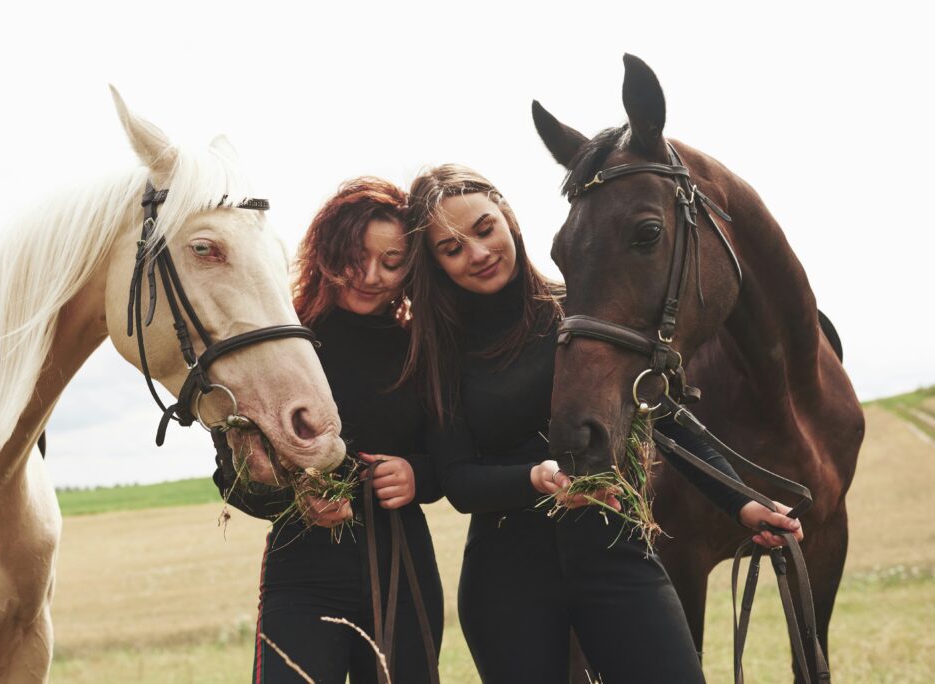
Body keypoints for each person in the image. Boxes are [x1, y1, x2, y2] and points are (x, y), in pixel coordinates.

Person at [401, 164, 803, 683]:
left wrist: (742, 500)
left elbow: (662, 416)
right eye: (452, 249)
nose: (478, 253)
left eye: (484, 229)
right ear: (435, 264)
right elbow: (459, 480)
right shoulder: (440, 353)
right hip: (507, 583)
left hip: (617, 553)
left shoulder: (581, 311)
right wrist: (536, 479)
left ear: (508, 218)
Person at [213, 177, 443, 684]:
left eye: (392, 262)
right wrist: (297, 496)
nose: (371, 275)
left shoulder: (422, 349)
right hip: (302, 574)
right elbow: (228, 474)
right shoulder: (277, 344)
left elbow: (451, 459)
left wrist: (416, 475)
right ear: (325, 251)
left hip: (404, 569)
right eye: (355, 256)